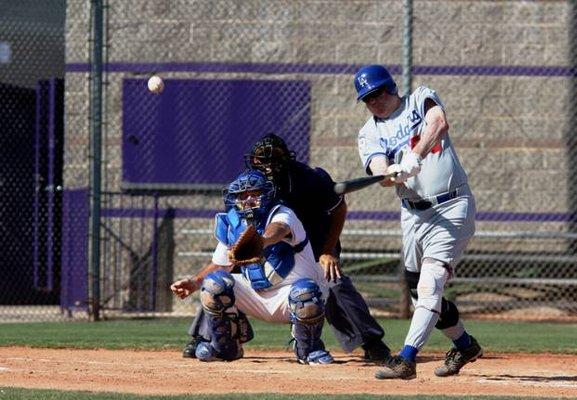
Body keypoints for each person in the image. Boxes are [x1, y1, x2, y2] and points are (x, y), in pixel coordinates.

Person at [353, 64, 483, 379]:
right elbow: (379, 169)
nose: (374, 101)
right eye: (367, 98)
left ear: (391, 87)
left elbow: (438, 122)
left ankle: (406, 359)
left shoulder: (419, 98)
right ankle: (465, 345)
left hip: (452, 204)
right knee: (419, 294)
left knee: (430, 286)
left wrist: (416, 154)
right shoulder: (368, 133)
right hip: (412, 213)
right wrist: (390, 173)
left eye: (378, 93)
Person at [244, 133, 391, 362]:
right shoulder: (250, 183)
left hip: (313, 245)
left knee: (334, 282)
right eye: (262, 159)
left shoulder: (308, 179)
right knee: (226, 274)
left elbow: (339, 208)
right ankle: (206, 337)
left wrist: (328, 250)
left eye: (274, 158)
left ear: (287, 158)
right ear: (253, 161)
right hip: (272, 248)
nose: (268, 165)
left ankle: (372, 342)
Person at [171, 169, 333, 365]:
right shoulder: (234, 223)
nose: (248, 200)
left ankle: (309, 350)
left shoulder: (282, 213)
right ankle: (226, 348)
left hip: (290, 296)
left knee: (305, 293)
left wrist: (262, 241)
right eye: (242, 195)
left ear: (267, 194)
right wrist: (194, 282)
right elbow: (220, 265)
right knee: (213, 285)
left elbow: (280, 229)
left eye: (254, 194)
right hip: (256, 295)